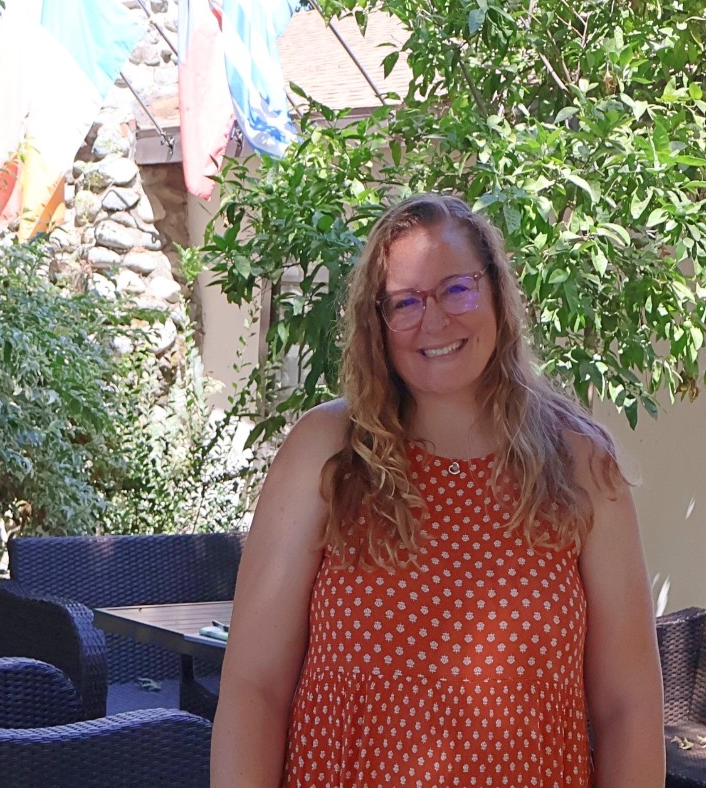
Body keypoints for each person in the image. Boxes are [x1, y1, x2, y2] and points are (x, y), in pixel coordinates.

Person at [211, 193, 665, 787]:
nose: (434, 321)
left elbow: (628, 708)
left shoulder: (580, 465)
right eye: (404, 302)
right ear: (377, 324)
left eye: (457, 289)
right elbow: (255, 688)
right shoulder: (326, 452)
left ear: (497, 293)